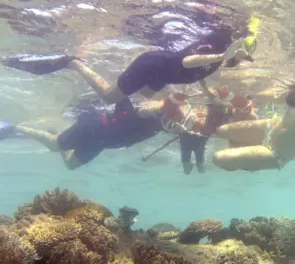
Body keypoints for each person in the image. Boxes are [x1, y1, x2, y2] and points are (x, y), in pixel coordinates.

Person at [2, 16, 261, 105]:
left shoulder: (219, 57)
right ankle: (74, 62)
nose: (241, 61)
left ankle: (96, 85)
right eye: (243, 56)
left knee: (147, 97)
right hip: (152, 65)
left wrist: (209, 92)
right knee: (110, 97)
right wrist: (221, 56)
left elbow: (201, 72)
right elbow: (188, 63)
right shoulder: (211, 48)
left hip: (161, 75)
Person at [0, 92, 192, 170]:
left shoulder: (157, 128)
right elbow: (145, 109)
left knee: (71, 165)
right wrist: (164, 106)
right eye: (175, 122)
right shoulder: (148, 114)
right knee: (53, 146)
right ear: (166, 116)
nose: (177, 127)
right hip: (93, 126)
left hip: (101, 143)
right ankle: (14, 127)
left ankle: (56, 133)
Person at [173, 88, 258, 174]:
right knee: (189, 168)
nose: (209, 107)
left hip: (200, 139)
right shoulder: (202, 113)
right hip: (191, 139)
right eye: (208, 106)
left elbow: (228, 112)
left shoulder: (222, 108)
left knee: (200, 167)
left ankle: (248, 162)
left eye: (210, 105)